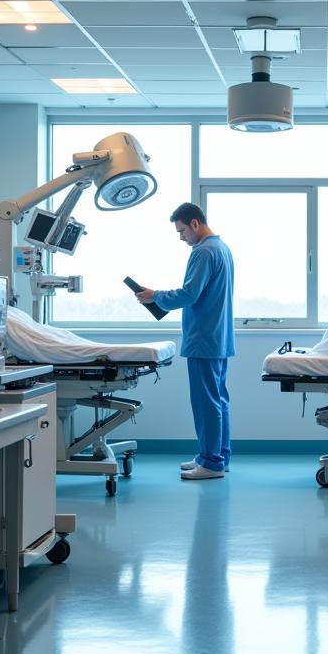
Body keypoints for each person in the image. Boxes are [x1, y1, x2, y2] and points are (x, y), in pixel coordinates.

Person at [136, 202, 234, 480]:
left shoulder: (203, 251)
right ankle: (215, 456)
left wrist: (155, 296)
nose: (181, 238)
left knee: (207, 403)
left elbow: (190, 294)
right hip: (219, 337)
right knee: (218, 400)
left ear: (194, 224)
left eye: (181, 231)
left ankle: (212, 463)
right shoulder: (222, 248)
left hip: (204, 338)